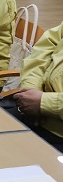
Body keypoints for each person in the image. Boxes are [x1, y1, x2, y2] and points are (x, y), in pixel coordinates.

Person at [11, 22, 63, 151]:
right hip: (35, 112)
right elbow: (39, 56)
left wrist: (42, 103)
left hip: (57, 131)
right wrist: (32, 89)